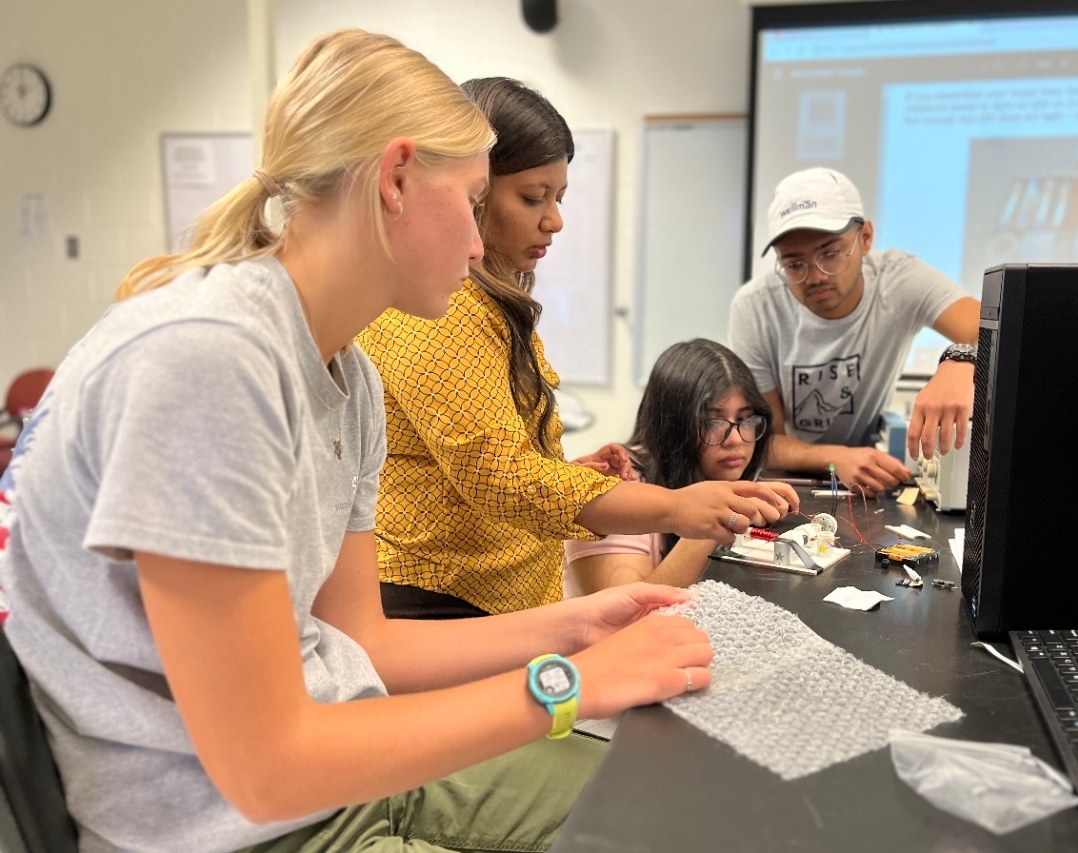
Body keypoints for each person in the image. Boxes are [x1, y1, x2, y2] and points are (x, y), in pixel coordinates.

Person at [0, 31, 745, 853]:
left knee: (667, 812)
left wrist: (575, 629)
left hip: (338, 761)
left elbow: (366, 640)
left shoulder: (348, 379)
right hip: (230, 826)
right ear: (395, 179)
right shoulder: (206, 361)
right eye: (470, 204)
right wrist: (571, 683)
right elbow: (267, 767)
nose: (476, 243)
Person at [357, 78, 793, 620]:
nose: (555, 220)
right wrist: (677, 507)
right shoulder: (443, 306)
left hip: (492, 593)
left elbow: (484, 458)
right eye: (533, 198)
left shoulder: (487, 299)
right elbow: (500, 480)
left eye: (559, 198)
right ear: (471, 191)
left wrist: (567, 471)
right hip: (442, 596)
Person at [727, 167, 981, 496]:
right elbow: (764, 443)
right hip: (794, 481)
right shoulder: (755, 308)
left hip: (874, 476)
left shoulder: (900, 281)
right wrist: (834, 459)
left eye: (830, 255)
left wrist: (960, 361)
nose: (815, 276)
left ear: (865, 238)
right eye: (794, 264)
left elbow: (993, 327)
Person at [565, 339, 799, 595]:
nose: (735, 439)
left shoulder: (721, 470)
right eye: (711, 421)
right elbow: (625, 620)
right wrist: (716, 518)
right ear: (671, 427)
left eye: (745, 419)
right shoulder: (618, 482)